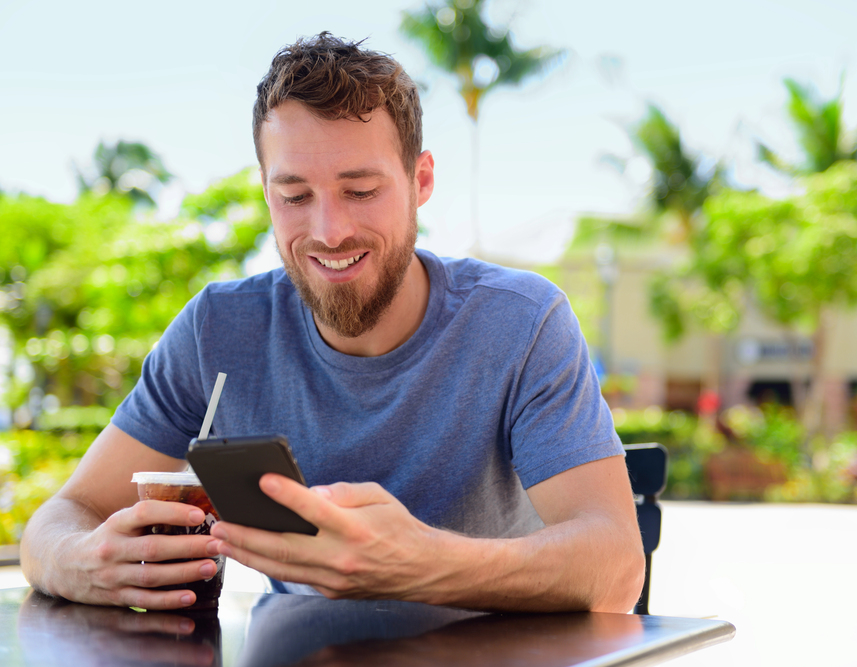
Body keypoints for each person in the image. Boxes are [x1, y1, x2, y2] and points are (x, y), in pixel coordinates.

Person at [20, 33, 644, 613]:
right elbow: (63, 515)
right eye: (295, 196)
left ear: (420, 180)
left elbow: (616, 568)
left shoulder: (521, 323)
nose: (328, 231)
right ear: (266, 191)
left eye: (361, 189)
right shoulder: (218, 330)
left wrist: (422, 565)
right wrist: (81, 559)